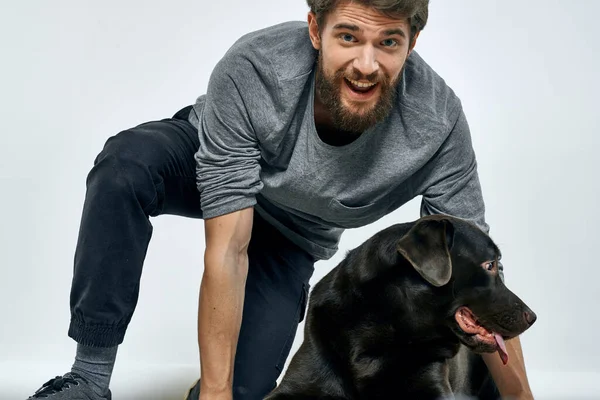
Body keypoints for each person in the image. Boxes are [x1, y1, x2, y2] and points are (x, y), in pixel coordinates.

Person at [26, 1, 535, 399]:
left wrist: (519, 398)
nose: (366, 64)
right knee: (125, 167)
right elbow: (228, 249)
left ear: (412, 42)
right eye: (348, 36)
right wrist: (215, 394)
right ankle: (88, 378)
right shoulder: (257, 67)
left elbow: (478, 273)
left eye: (388, 42)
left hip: (292, 233)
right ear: (315, 30)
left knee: (248, 392)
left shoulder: (437, 122)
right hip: (208, 159)